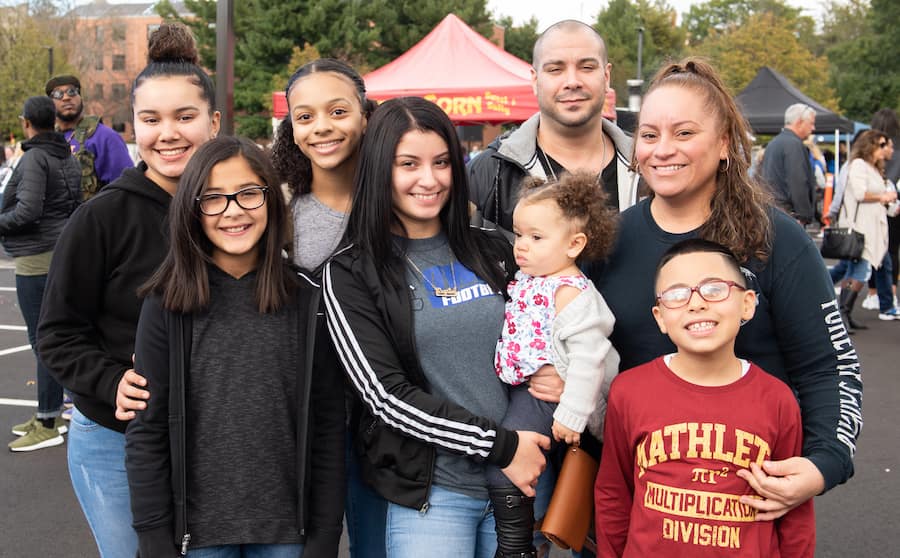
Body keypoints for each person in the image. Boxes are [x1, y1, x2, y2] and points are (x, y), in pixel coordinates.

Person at [588, 58, 861, 525]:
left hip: (748, 514)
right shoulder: (607, 241)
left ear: (724, 145)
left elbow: (830, 368)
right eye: (649, 135)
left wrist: (822, 464)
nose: (662, 150)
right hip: (637, 515)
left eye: (684, 133)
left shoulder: (776, 240)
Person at [323, 96, 549, 558]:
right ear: (379, 170)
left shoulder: (500, 251)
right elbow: (385, 397)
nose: (429, 179)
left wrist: (559, 374)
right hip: (434, 494)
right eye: (409, 164)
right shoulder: (351, 273)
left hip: (520, 481)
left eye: (442, 162)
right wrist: (500, 446)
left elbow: (549, 330)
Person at [37, 23, 220, 557]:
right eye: (151, 119)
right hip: (115, 441)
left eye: (185, 117)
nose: (168, 133)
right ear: (131, 126)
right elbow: (58, 331)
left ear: (213, 121)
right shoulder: (103, 218)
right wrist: (110, 380)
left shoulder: (237, 208)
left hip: (214, 439)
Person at [126, 136, 344, 557]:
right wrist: (153, 537)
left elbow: (328, 425)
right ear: (192, 210)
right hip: (196, 536)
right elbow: (148, 430)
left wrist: (324, 534)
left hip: (288, 533)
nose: (233, 211)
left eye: (248, 194)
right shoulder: (166, 305)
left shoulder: (307, 299)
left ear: (271, 199)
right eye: (213, 198)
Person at [595, 239, 815, 557]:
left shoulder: (777, 400)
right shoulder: (628, 391)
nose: (696, 304)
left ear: (747, 304)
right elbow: (614, 493)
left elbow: (795, 514)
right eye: (676, 294)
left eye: (714, 289)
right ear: (659, 316)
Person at [270, 58, 387, 558]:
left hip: (388, 424)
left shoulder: (405, 203)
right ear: (291, 128)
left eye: (338, 111)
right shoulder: (277, 216)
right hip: (305, 421)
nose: (321, 127)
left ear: (365, 115)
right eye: (305, 116)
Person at [488, 172, 619, 557]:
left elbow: (589, 360)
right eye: (519, 235)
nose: (521, 246)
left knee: (507, 458)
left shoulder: (570, 293)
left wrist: (573, 415)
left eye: (536, 237)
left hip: (548, 400)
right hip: (526, 388)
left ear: (575, 244)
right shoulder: (533, 278)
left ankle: (517, 544)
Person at [468, 19, 639, 235]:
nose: (572, 81)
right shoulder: (490, 173)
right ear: (535, 80)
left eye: (586, 67)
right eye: (555, 69)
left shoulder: (647, 163)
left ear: (606, 77)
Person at [3, 96, 81, 451]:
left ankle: (48, 420)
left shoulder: (35, 157)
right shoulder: (65, 153)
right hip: (60, 253)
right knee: (55, 336)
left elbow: (28, 211)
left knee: (42, 341)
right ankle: (50, 413)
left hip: (36, 258)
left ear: (26, 123)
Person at [833, 130, 898, 323]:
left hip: (871, 228)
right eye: (882, 144)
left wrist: (888, 203)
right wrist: (883, 197)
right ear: (870, 146)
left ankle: (844, 313)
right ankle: (843, 313)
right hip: (861, 228)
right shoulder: (859, 165)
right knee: (860, 271)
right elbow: (860, 193)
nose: (885, 149)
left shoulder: (874, 168)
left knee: (853, 270)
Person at [45, 74, 133, 198]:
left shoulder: (104, 137)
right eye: (58, 94)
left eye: (72, 92)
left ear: (80, 97)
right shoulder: (48, 139)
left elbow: (125, 188)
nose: (65, 98)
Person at [759, 103, 818, 224]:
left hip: (773, 210)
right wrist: (804, 215)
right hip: (789, 215)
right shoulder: (793, 145)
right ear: (800, 122)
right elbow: (798, 181)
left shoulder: (775, 143)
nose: (813, 128)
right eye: (811, 123)